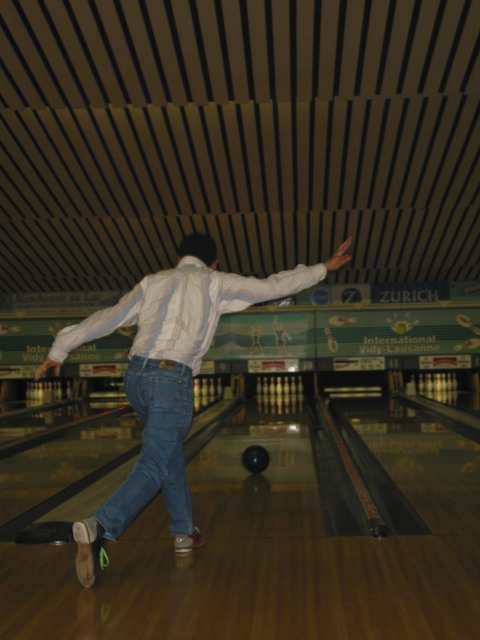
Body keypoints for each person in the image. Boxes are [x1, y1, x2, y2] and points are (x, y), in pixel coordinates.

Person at [35, 233, 352, 588]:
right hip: (171, 379)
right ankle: (100, 526)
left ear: (178, 257)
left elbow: (109, 317)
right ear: (213, 263)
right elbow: (273, 286)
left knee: (167, 453)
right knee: (155, 463)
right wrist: (324, 267)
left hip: (135, 378)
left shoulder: (152, 281)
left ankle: (184, 531)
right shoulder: (216, 282)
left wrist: (60, 347)